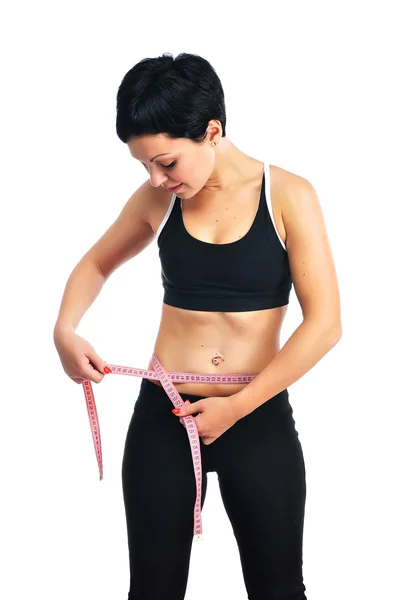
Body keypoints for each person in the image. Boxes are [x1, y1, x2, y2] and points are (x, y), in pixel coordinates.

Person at [53, 52, 342, 600]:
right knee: (153, 592)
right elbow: (95, 264)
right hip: (164, 415)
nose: (157, 179)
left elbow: (325, 324)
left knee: (279, 590)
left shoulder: (288, 195)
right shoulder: (159, 201)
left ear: (212, 131)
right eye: (144, 167)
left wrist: (236, 406)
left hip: (254, 415)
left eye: (166, 163)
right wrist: (64, 330)